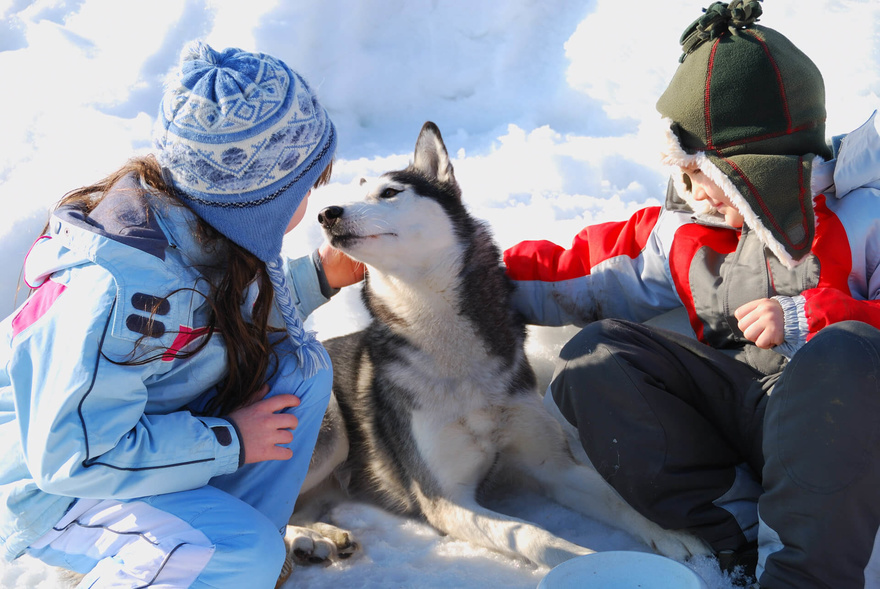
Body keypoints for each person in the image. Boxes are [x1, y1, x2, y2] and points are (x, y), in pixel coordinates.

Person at [504, 2, 880, 588]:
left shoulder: (862, 215)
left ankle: (804, 577)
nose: (692, 188)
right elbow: (582, 271)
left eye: (704, 170)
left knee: (845, 354)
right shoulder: (685, 229)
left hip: (840, 427)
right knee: (597, 355)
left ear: (750, 167)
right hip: (745, 409)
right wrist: (460, 273)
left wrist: (822, 316)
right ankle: (736, 542)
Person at [0, 41, 362, 588]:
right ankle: (219, 559)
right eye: (305, 187)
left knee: (299, 373)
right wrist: (230, 440)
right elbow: (70, 458)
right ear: (258, 199)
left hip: (126, 441)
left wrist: (318, 276)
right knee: (242, 554)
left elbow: (211, 321)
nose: (312, 200)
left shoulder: (200, 228)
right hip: (49, 487)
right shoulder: (119, 294)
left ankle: (220, 558)